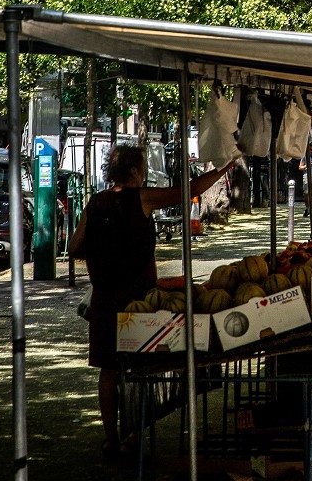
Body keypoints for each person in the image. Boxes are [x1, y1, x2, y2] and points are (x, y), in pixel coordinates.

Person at [68, 142, 235, 460]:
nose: (145, 173)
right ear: (134, 171)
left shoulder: (96, 203)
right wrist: (227, 165)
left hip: (104, 298)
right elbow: (189, 190)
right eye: (142, 168)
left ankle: (110, 439)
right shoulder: (141, 198)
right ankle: (131, 435)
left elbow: (75, 246)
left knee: (108, 370)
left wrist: (105, 248)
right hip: (139, 302)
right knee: (139, 368)